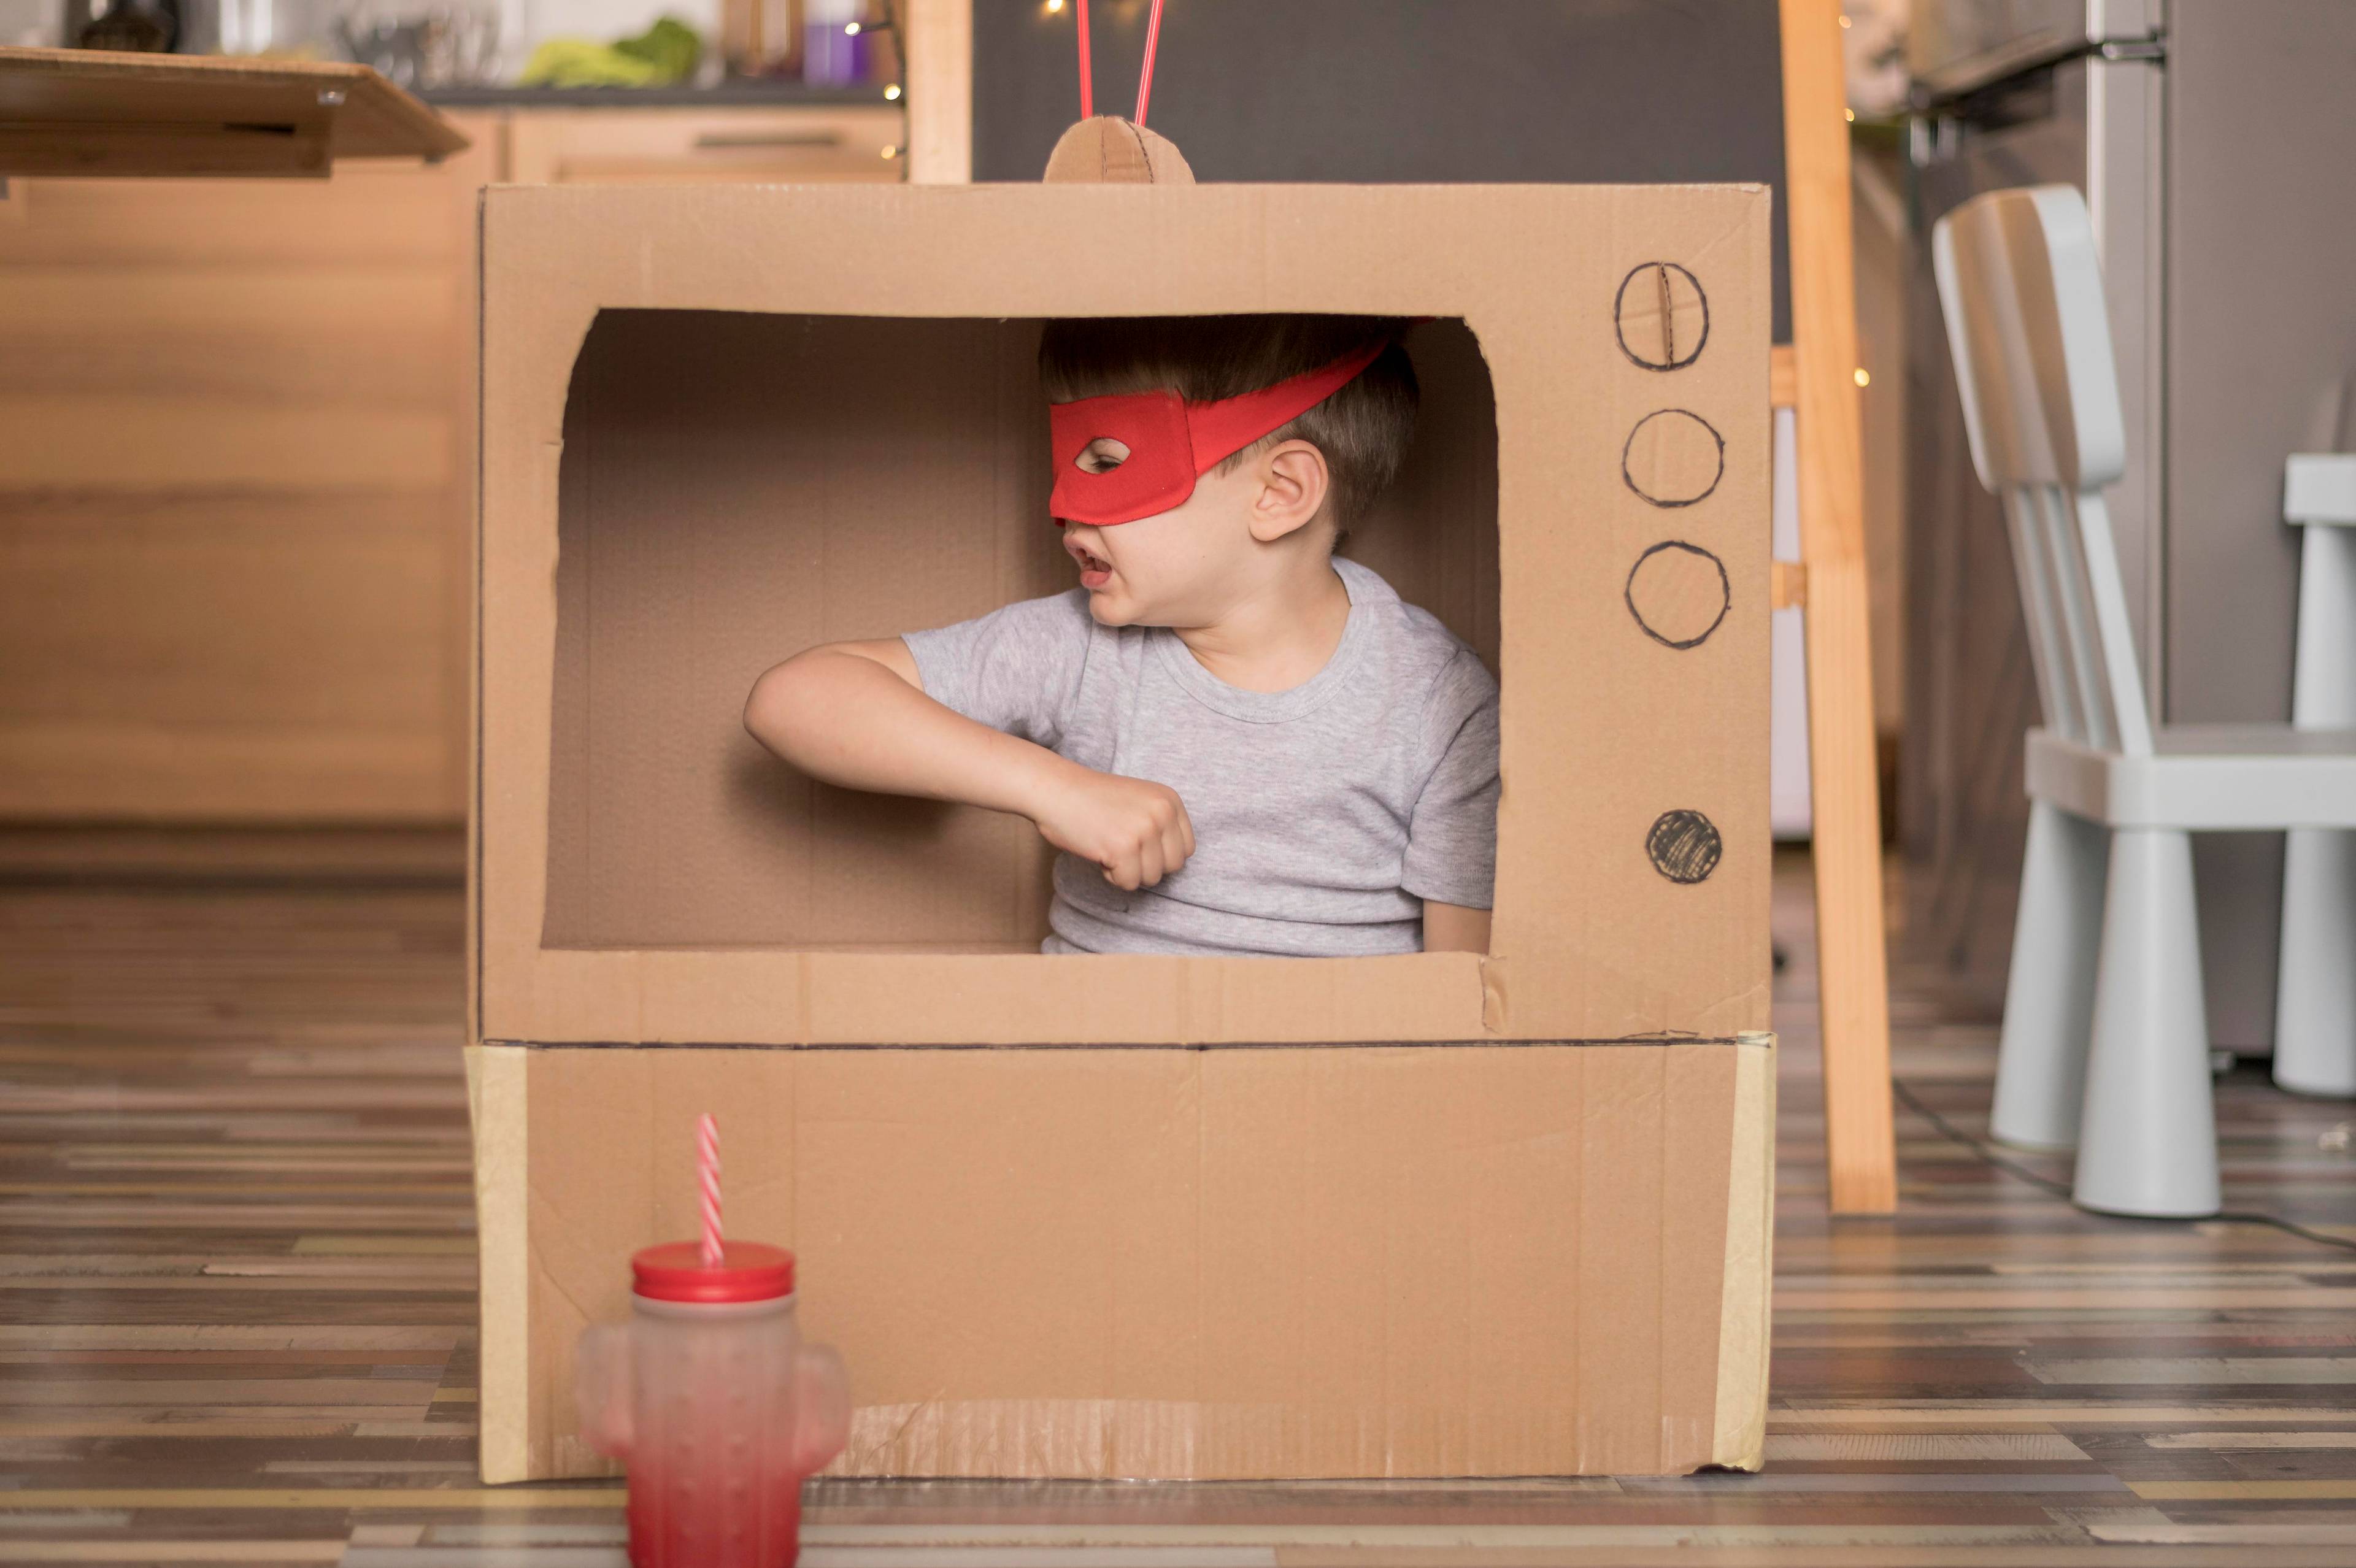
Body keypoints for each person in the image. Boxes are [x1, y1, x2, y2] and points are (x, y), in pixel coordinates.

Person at [743, 314, 1498, 958]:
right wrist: (1056, 790)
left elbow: (1466, 992)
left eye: (1107, 462)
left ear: (1280, 493)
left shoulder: (1440, 702)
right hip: (1101, 1084)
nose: (1062, 506)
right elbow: (794, 698)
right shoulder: (1079, 648)